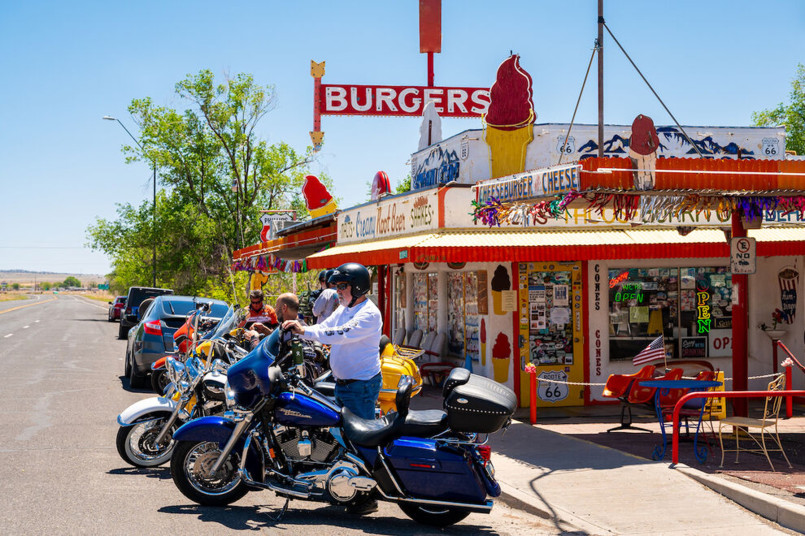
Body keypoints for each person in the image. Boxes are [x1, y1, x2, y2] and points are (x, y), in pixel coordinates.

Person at [282, 262, 382, 419]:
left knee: (360, 439)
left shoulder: (369, 313)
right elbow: (324, 326)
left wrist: (304, 330)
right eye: (337, 286)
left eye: (342, 286)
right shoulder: (344, 308)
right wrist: (299, 330)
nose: (338, 291)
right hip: (343, 384)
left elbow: (340, 333)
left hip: (360, 386)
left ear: (357, 286)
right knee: (341, 435)